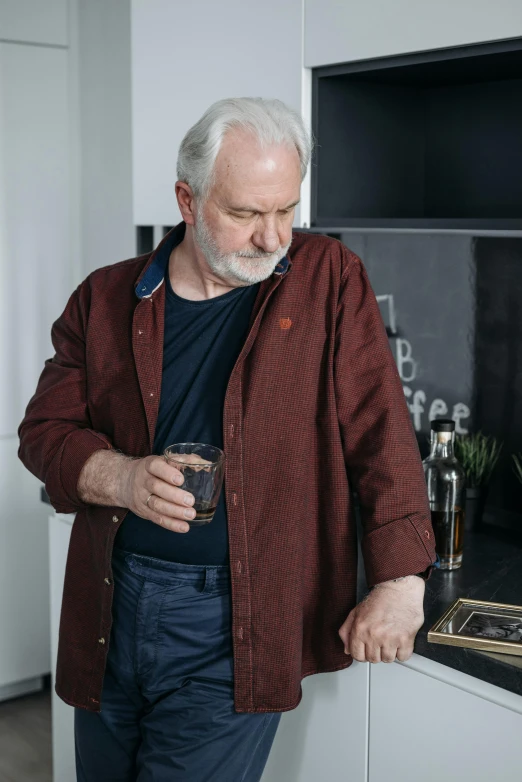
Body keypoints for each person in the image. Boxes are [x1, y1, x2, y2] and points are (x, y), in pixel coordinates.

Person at [18, 97, 438, 781]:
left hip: (237, 617)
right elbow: (43, 432)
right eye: (245, 214)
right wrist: (122, 477)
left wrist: (399, 580)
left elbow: (379, 430)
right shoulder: (103, 298)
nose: (274, 238)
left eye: (286, 209)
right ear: (187, 199)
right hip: (109, 601)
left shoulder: (329, 278)